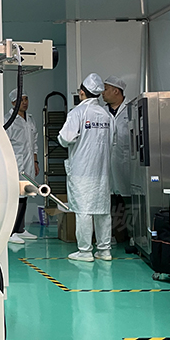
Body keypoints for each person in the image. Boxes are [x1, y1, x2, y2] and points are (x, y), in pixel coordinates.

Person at [58, 73, 114, 262]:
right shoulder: (106, 115)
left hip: (82, 171)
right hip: (102, 170)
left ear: (82, 92)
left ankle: (84, 251)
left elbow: (65, 138)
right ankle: (104, 250)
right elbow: (111, 141)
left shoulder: (78, 113)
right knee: (102, 210)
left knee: (83, 210)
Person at [5, 88, 39, 244]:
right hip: (16, 164)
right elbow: (4, 143)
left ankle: (20, 229)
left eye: (26, 99)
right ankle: (11, 231)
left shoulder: (30, 120)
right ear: (13, 102)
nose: (25, 103)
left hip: (28, 163)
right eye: (21, 100)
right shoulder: (8, 120)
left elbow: (34, 143)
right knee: (16, 198)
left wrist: (35, 161)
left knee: (26, 194)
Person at [102, 76, 130, 243]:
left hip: (126, 162)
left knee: (127, 200)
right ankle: (113, 235)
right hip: (106, 162)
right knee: (110, 200)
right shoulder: (102, 112)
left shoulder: (130, 109)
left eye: (106, 89)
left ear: (116, 91)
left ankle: (131, 236)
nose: (102, 93)